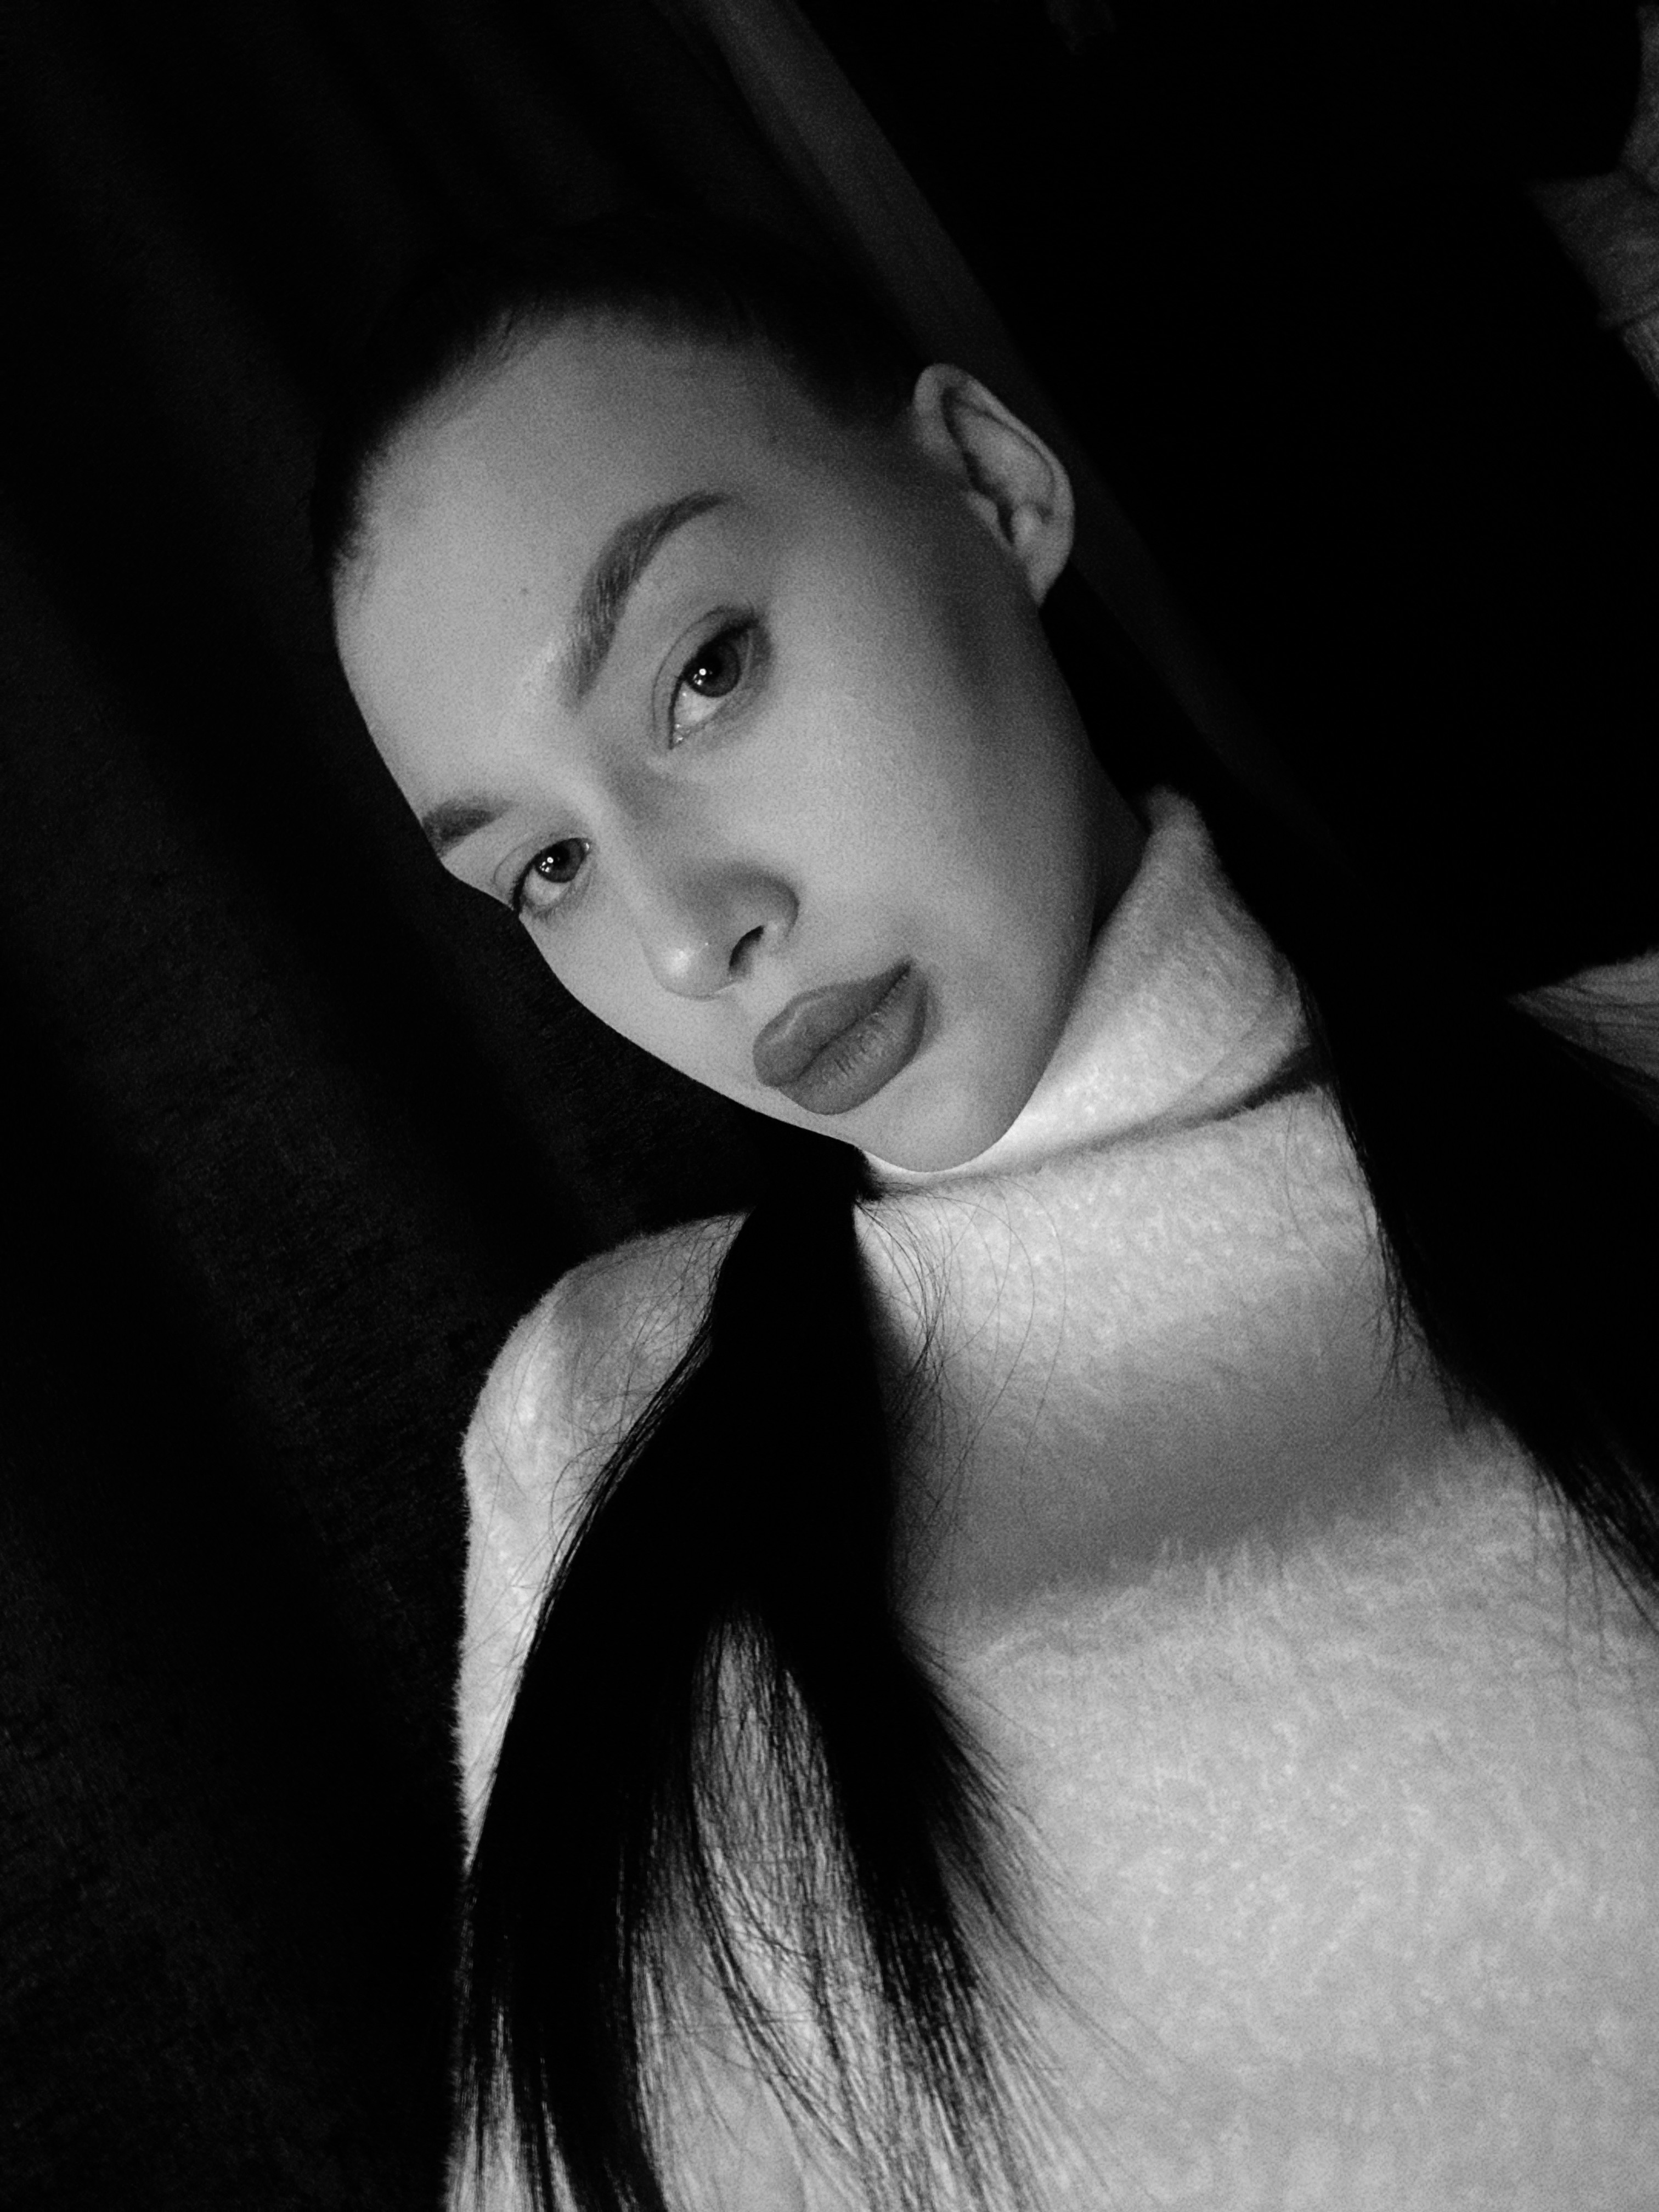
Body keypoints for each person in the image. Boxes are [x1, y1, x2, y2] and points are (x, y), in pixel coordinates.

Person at [312, 210, 1659, 2210]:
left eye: (704, 672)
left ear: (993, 488)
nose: (685, 936)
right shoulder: (600, 1423)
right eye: (545, 870)